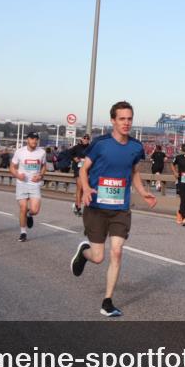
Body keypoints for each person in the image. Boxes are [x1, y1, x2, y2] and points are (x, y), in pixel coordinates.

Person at [69, 102, 157, 317]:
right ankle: (84, 253)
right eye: (122, 119)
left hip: (120, 208)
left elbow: (134, 172)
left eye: (129, 119)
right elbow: (84, 169)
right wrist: (87, 187)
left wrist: (143, 191)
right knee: (98, 257)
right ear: (113, 121)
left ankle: (107, 301)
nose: (126, 123)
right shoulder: (100, 144)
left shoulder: (136, 147)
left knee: (116, 252)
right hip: (97, 207)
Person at [10, 131, 46, 242]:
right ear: (27, 140)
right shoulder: (20, 152)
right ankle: (23, 233)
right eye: (32, 138)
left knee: (35, 210)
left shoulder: (41, 152)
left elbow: (44, 166)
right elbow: (12, 167)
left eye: (36, 139)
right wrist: (17, 175)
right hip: (22, 184)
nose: (34, 141)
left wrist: (40, 175)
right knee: (23, 208)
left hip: (34, 184)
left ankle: (30, 215)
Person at [70, 134, 91, 216]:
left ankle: (76, 204)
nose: (86, 139)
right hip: (78, 169)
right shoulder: (76, 147)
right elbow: (69, 154)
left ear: (89, 140)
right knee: (80, 187)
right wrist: (74, 158)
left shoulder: (90, 148)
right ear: (81, 139)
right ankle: (78, 207)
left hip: (86, 171)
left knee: (83, 189)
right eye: (84, 138)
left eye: (87, 138)